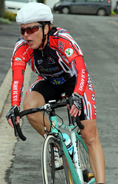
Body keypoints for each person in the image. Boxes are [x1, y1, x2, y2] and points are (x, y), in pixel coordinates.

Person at [6, 2, 105, 183]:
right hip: (49, 82)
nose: (26, 35)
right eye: (23, 31)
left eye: (32, 29)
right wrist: (14, 106)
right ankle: (62, 141)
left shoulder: (61, 39)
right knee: (28, 106)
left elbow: (81, 69)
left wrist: (76, 95)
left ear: (46, 28)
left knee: (90, 136)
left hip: (75, 81)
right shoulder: (22, 47)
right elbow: (17, 78)